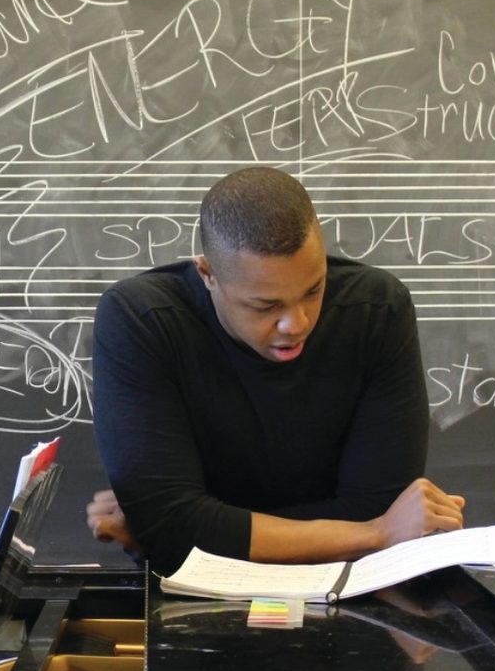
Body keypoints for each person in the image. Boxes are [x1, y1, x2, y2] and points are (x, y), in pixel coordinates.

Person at [87, 167, 465, 574]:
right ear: (208, 274)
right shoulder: (141, 319)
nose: (296, 323)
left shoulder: (377, 310)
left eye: (314, 290)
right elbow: (174, 530)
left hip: (353, 597)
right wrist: (374, 534)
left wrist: (191, 527)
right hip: (192, 604)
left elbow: (378, 505)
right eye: (265, 306)